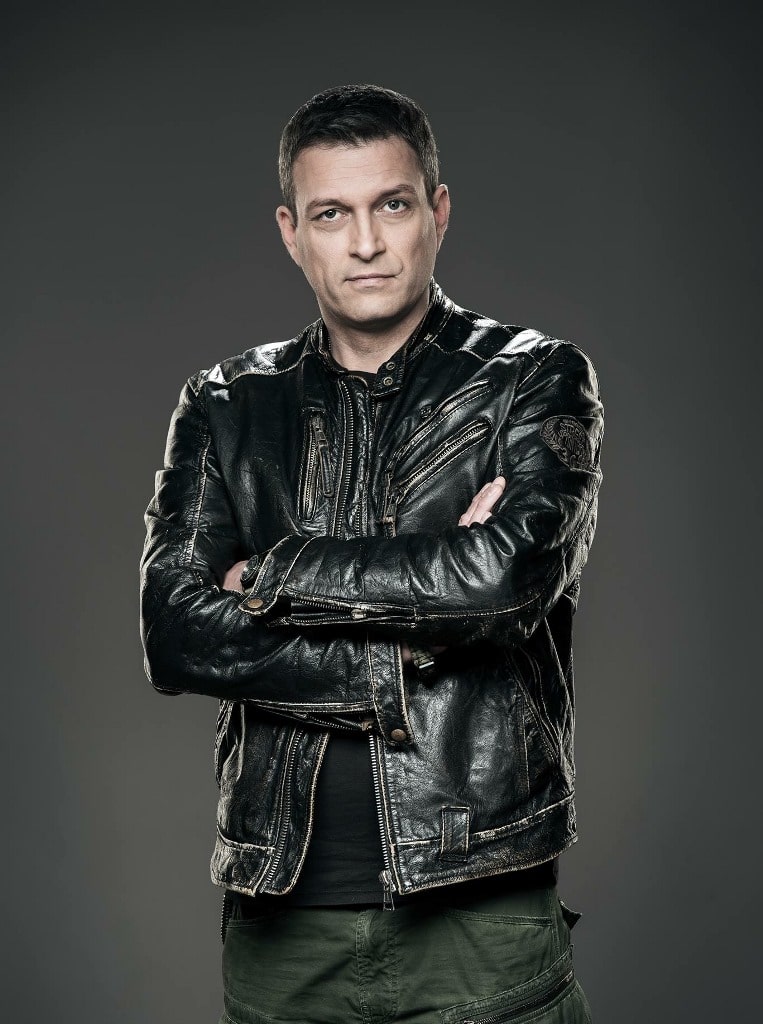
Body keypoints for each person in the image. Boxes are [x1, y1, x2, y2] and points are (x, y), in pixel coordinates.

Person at [140, 83, 603, 1024]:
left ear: (436, 210)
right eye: (330, 213)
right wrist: (420, 626)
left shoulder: (530, 378)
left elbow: (502, 583)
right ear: (290, 231)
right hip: (282, 920)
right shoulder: (227, 403)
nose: (364, 243)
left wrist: (272, 572)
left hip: (483, 907)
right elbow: (175, 632)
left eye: (390, 205)